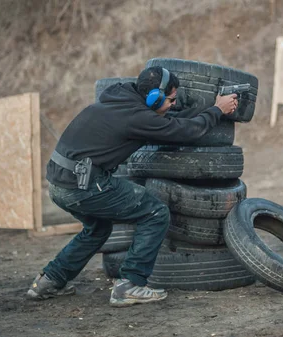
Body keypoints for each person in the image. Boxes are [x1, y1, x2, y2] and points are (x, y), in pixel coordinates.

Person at [26, 66, 238, 307]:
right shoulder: (138, 117)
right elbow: (187, 132)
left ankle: (48, 282)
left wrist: (209, 107)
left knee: (98, 229)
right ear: (153, 97)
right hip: (83, 186)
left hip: (59, 184)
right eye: (170, 99)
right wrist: (217, 111)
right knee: (155, 212)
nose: (172, 105)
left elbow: (171, 119)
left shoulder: (117, 102)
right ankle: (130, 285)